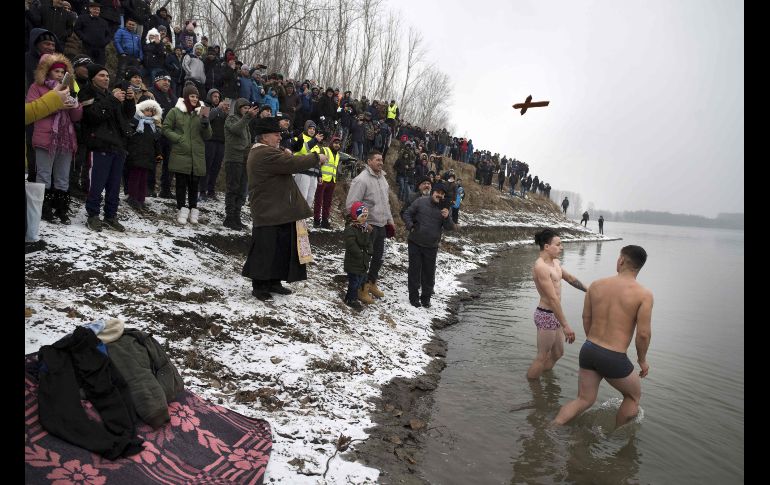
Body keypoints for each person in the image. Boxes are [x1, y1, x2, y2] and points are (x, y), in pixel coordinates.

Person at [552, 245, 653, 427]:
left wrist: (594, 343)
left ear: (621, 260)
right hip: (614, 356)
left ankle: (552, 426)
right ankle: (616, 439)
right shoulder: (643, 295)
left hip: (589, 349)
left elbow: (586, 317)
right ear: (639, 267)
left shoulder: (596, 285)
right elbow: (643, 335)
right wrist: (642, 360)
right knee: (632, 397)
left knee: (584, 399)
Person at [241, 117, 327, 301]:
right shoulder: (264, 154)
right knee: (265, 249)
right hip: (269, 210)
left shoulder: (268, 151)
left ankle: (273, 281)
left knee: (279, 248)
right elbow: (291, 164)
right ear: (264, 137)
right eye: (276, 134)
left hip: (278, 210)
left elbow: (285, 159)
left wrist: (285, 152)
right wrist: (315, 158)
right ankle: (260, 286)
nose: (280, 137)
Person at [527, 229, 587, 380]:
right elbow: (552, 299)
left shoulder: (555, 263)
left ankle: (544, 378)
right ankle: (532, 386)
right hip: (546, 314)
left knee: (558, 353)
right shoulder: (540, 267)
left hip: (555, 314)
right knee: (542, 356)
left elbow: (570, 278)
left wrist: (589, 290)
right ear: (547, 246)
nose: (562, 247)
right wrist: (566, 325)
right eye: (558, 244)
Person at [345, 150, 396, 302]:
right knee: (364, 260)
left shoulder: (383, 179)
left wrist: (390, 220)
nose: (380, 162)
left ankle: (370, 283)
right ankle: (361, 289)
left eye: (381, 160)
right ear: (369, 162)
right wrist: (364, 225)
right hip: (368, 226)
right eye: (377, 160)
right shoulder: (362, 180)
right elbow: (351, 205)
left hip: (381, 225)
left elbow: (386, 203)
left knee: (378, 258)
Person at [162, 82, 212, 225]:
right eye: (192, 96)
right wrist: (179, 139)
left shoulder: (203, 111)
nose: (195, 99)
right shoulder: (175, 111)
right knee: (181, 183)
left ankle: (193, 209)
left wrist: (206, 124)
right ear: (185, 96)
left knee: (194, 184)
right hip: (181, 152)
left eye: (196, 96)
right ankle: (181, 209)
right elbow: (165, 128)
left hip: (197, 153)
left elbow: (208, 136)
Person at [402, 181, 455, 308]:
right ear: (433, 192)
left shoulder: (446, 208)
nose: (439, 195)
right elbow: (407, 214)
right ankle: (413, 298)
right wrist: (411, 226)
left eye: (442, 194)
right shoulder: (420, 201)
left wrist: (447, 217)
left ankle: (426, 299)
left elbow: (449, 227)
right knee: (414, 271)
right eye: (437, 192)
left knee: (429, 274)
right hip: (415, 242)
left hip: (431, 245)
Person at [343, 202, 373, 310]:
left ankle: (352, 296)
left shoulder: (364, 229)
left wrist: (370, 251)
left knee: (359, 280)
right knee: (354, 282)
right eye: (362, 216)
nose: (364, 218)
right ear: (356, 216)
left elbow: (368, 242)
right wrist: (359, 254)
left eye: (366, 216)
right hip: (354, 261)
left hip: (363, 261)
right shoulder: (351, 229)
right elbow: (351, 244)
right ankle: (351, 299)